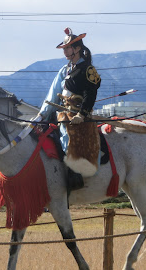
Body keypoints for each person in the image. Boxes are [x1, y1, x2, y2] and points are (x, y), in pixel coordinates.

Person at [38, 27, 101, 191]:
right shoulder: (64, 70)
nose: (65, 51)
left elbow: (91, 93)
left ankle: (75, 175)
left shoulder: (87, 69)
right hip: (62, 113)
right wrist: (41, 115)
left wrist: (82, 113)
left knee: (67, 136)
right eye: (64, 48)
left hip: (78, 116)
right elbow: (52, 95)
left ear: (78, 48)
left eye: (68, 47)